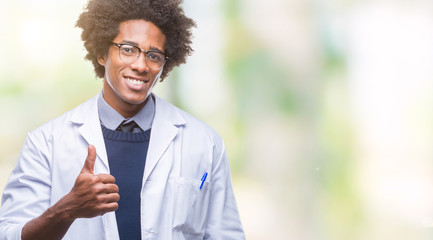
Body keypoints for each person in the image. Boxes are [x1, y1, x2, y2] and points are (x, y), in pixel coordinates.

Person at [0, 0, 245, 239]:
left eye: (154, 55)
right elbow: (10, 233)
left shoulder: (204, 142)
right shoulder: (46, 143)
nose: (141, 65)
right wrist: (67, 209)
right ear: (101, 54)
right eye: (128, 49)